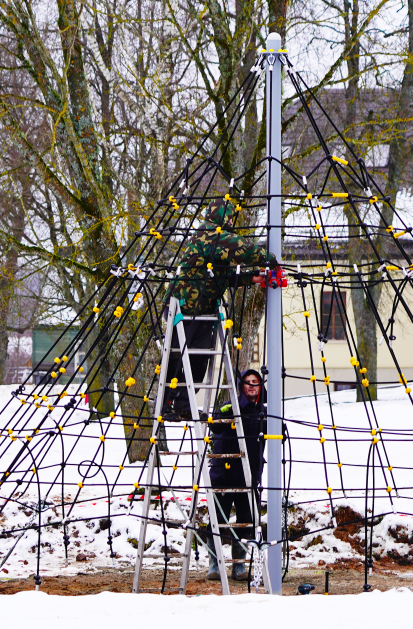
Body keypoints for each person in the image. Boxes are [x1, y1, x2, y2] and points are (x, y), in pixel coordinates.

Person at [160, 199, 283, 419]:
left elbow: (220, 274)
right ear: (223, 217)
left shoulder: (212, 242)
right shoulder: (210, 235)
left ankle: (182, 403)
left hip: (201, 309)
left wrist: (249, 278)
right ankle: (169, 401)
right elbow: (242, 249)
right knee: (181, 357)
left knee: (199, 357)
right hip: (185, 307)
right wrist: (271, 260)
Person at [205, 367, 266, 581]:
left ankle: (239, 564)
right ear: (241, 386)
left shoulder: (263, 413)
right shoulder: (231, 407)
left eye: (255, 382)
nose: (252, 385)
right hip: (224, 473)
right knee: (217, 519)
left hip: (248, 476)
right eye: (248, 382)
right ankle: (214, 562)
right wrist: (224, 413)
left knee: (247, 520)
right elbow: (215, 427)